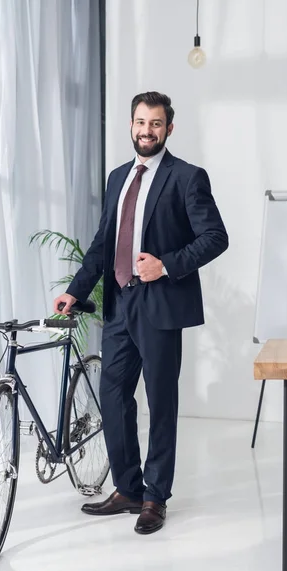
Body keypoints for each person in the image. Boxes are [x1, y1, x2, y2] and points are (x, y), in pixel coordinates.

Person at [54, 91, 228, 535]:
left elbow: (215, 237)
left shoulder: (187, 177)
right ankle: (128, 488)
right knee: (112, 397)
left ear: (169, 128)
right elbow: (102, 244)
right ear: (130, 125)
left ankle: (155, 497)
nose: (146, 131)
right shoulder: (117, 178)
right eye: (139, 122)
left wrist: (166, 265)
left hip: (161, 303)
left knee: (161, 402)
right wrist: (75, 292)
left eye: (155, 124)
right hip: (118, 303)